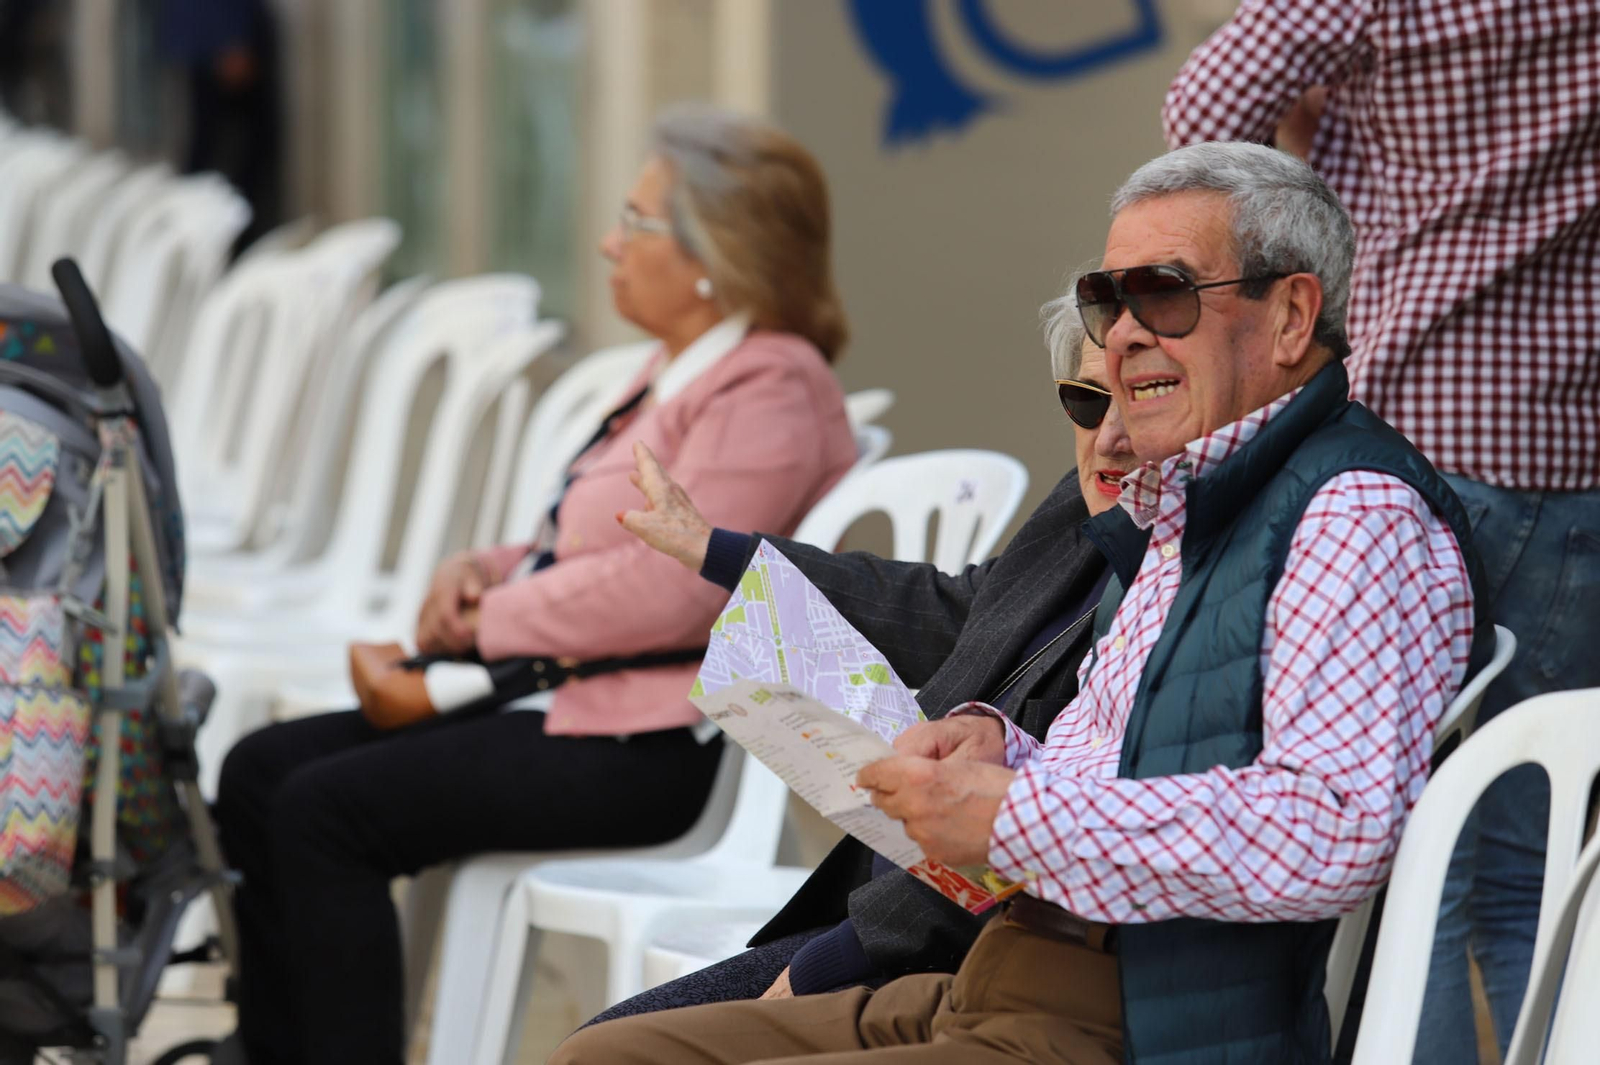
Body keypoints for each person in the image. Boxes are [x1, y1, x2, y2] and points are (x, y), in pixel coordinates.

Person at [552, 141, 1492, 1065]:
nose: (1124, 333)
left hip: (1127, 1022)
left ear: (1292, 317)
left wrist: (1009, 815)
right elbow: (1103, 746)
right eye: (1107, 298)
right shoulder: (1188, 505)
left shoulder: (1354, 511)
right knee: (602, 1055)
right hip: (990, 979)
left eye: (1162, 292)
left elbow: (1328, 826)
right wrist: (998, 748)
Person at [212, 107, 859, 1065]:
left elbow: (681, 582)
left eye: (636, 223)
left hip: (650, 746)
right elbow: (592, 536)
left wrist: (494, 623)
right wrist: (490, 570)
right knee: (260, 769)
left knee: (324, 811)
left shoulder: (772, 387)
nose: (609, 242)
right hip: (573, 704)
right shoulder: (679, 371)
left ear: (714, 255)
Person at [1162, 6, 1600, 1058]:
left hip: (1431, 432)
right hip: (1573, 446)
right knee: (1532, 851)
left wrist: (1319, 159)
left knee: (1432, 867)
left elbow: (1203, 119)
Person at [585, 312, 1132, 1024]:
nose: (1110, 434)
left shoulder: (1170, 590)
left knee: (609, 1045)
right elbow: (962, 608)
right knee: (609, 1039)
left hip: (956, 956)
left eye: (1143, 393)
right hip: (889, 906)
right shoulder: (1088, 504)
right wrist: (715, 550)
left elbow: (1025, 844)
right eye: (1086, 399)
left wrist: (831, 962)